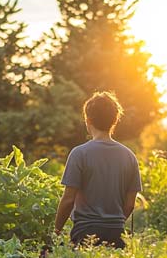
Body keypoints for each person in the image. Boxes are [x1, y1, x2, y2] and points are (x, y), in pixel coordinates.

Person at [54, 91, 142, 249]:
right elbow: (130, 204)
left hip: (85, 232)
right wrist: (115, 222)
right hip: (117, 233)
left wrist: (56, 231)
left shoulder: (79, 153)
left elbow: (68, 200)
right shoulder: (129, 157)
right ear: (115, 121)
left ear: (88, 121)